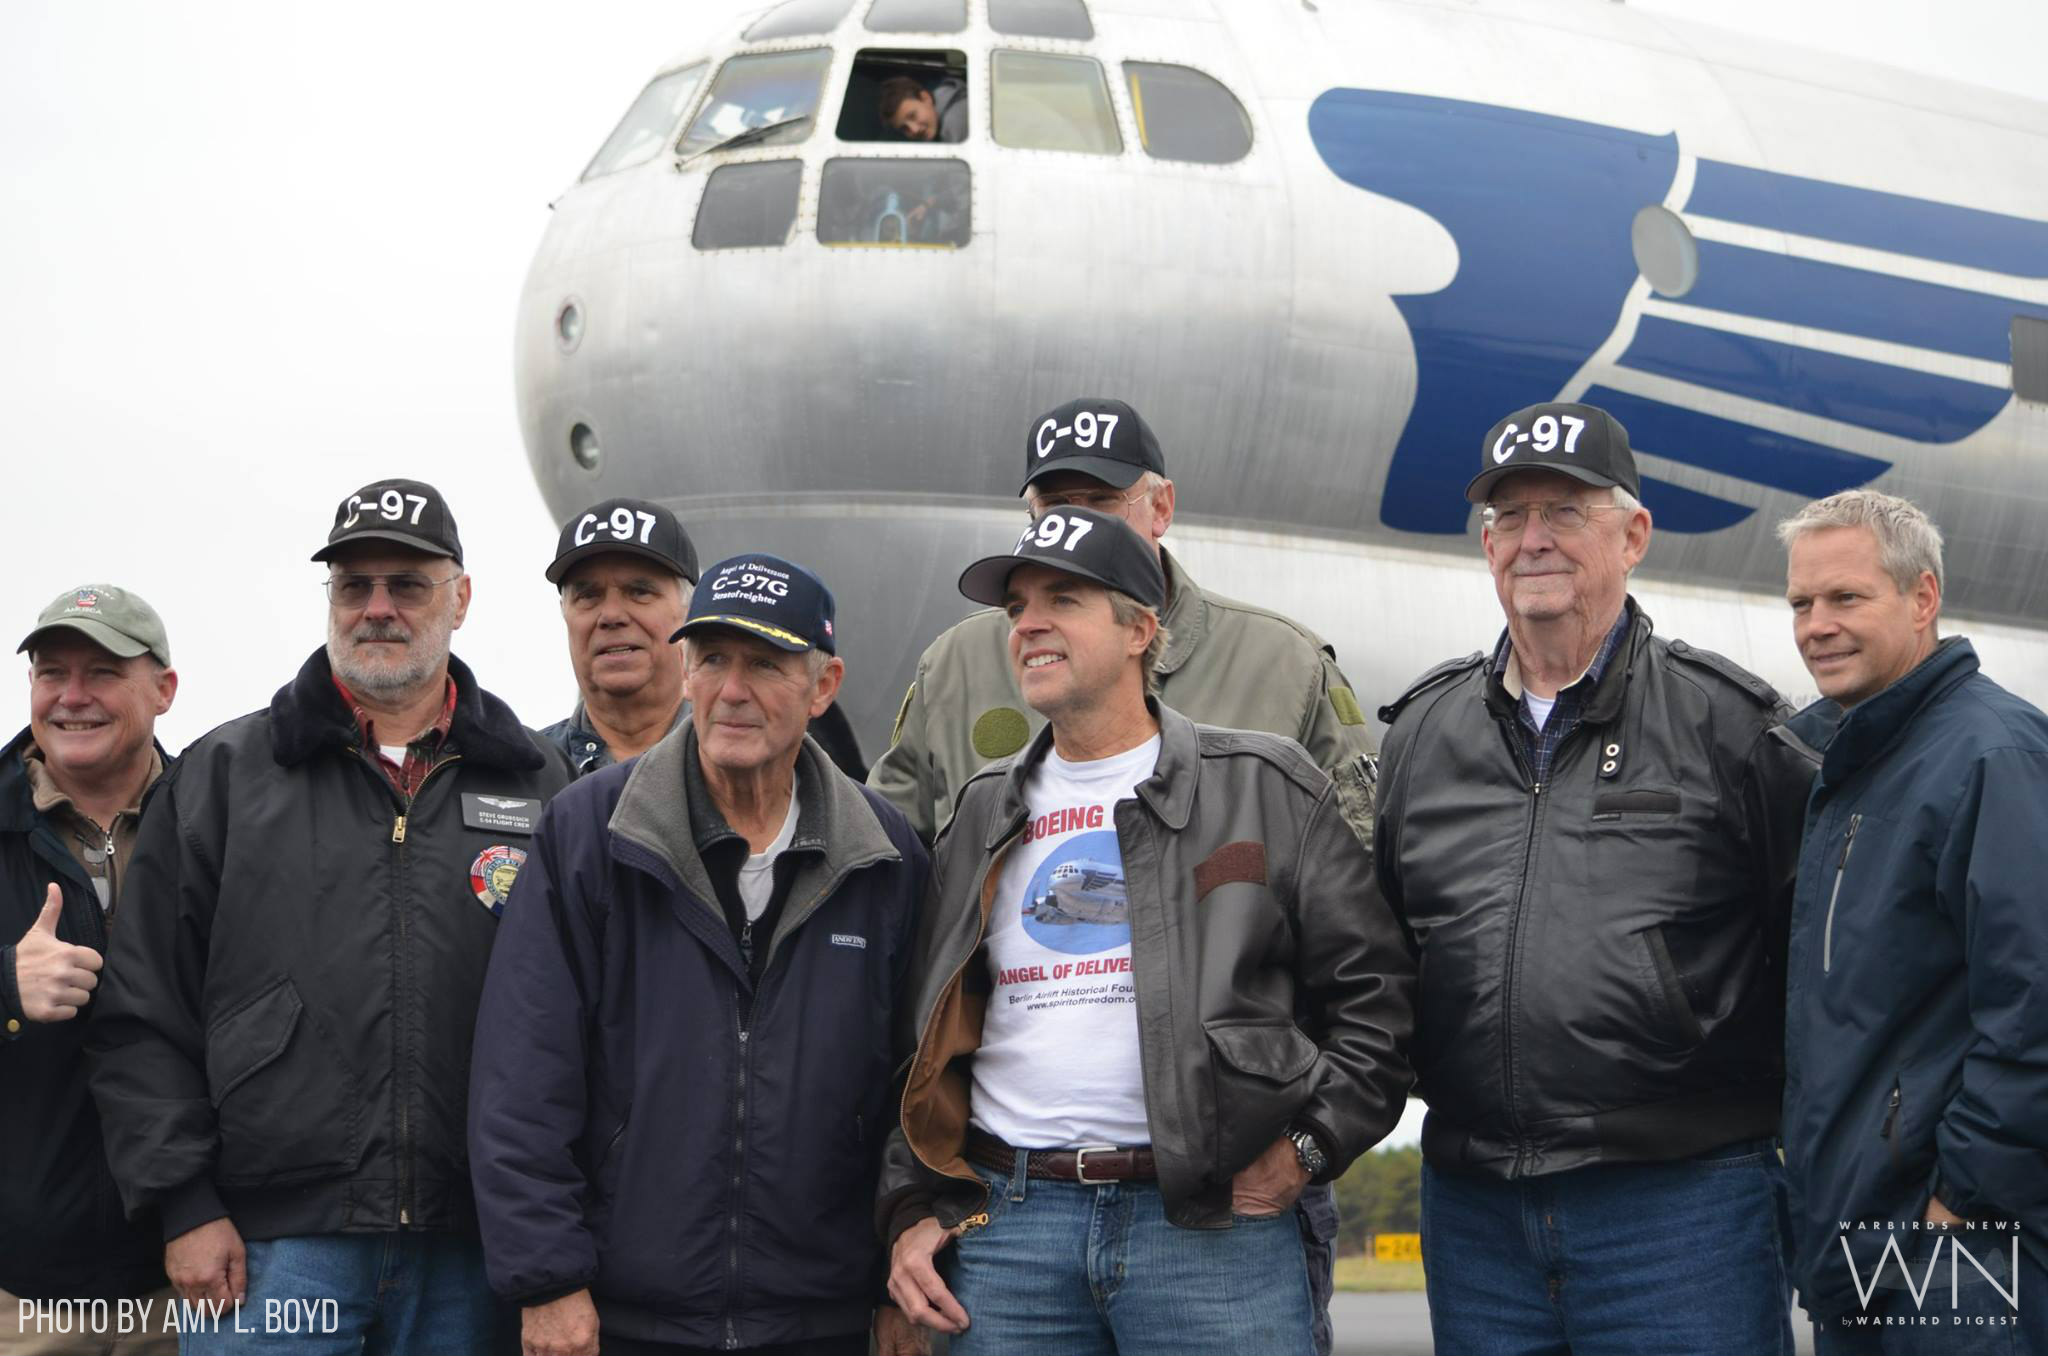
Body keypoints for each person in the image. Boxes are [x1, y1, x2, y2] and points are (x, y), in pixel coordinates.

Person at [869, 397, 1379, 1349]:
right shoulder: (964, 707)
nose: (1033, 622)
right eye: (1023, 598)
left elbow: (1371, 963)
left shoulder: (1281, 682)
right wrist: (910, 1201)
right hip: (1015, 1216)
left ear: (1159, 511)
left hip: (1218, 1211)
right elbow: (909, 969)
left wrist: (1304, 1142)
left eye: (1098, 506)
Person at [87, 479, 571, 1355]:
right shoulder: (224, 776)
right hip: (269, 1252)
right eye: (353, 586)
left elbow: (579, 1029)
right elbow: (141, 1010)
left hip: (475, 1254)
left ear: (461, 599)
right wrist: (186, 1204)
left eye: (407, 584)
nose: (377, 608)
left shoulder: (538, 783)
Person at [1373, 402, 1817, 1356]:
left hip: (1683, 1209)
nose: (1534, 539)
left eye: (1565, 512)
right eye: (1510, 516)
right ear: (1487, 544)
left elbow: (1820, 959)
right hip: (1476, 1213)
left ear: (1635, 535)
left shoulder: (1730, 727)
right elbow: (1379, 955)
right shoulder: (1423, 735)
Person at [471, 552, 928, 1356]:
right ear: (685, 673)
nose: (732, 690)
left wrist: (898, 1268)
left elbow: (913, 1086)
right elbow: (522, 1071)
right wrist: (546, 1279)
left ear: (824, 687)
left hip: (822, 1319)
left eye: (765, 664)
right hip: (622, 1316)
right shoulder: (589, 834)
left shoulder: (885, 853)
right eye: (712, 659)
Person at [1775, 490, 2048, 1354]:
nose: (1817, 625)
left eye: (1846, 598)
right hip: (1865, 1241)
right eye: (1801, 604)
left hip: (1957, 1243)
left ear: (1922, 599)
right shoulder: (1855, 764)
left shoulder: (1991, 755)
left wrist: (1962, 1201)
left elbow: (2035, 1006)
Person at [2, 585, 179, 1355]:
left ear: (164, 689)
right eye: (51, 672)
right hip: (20, 1288)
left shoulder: (225, 820)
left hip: (195, 1277)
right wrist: (5, 986)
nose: (72, 697)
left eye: (102, 671)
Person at [541, 497, 870, 781]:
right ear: (564, 612)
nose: (612, 615)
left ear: (689, 611)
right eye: (588, 595)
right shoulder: (523, 773)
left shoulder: (790, 782)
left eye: (639, 592)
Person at [878, 75, 966, 143]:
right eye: (904, 128)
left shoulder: (955, 124)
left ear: (925, 98)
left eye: (912, 116)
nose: (914, 130)